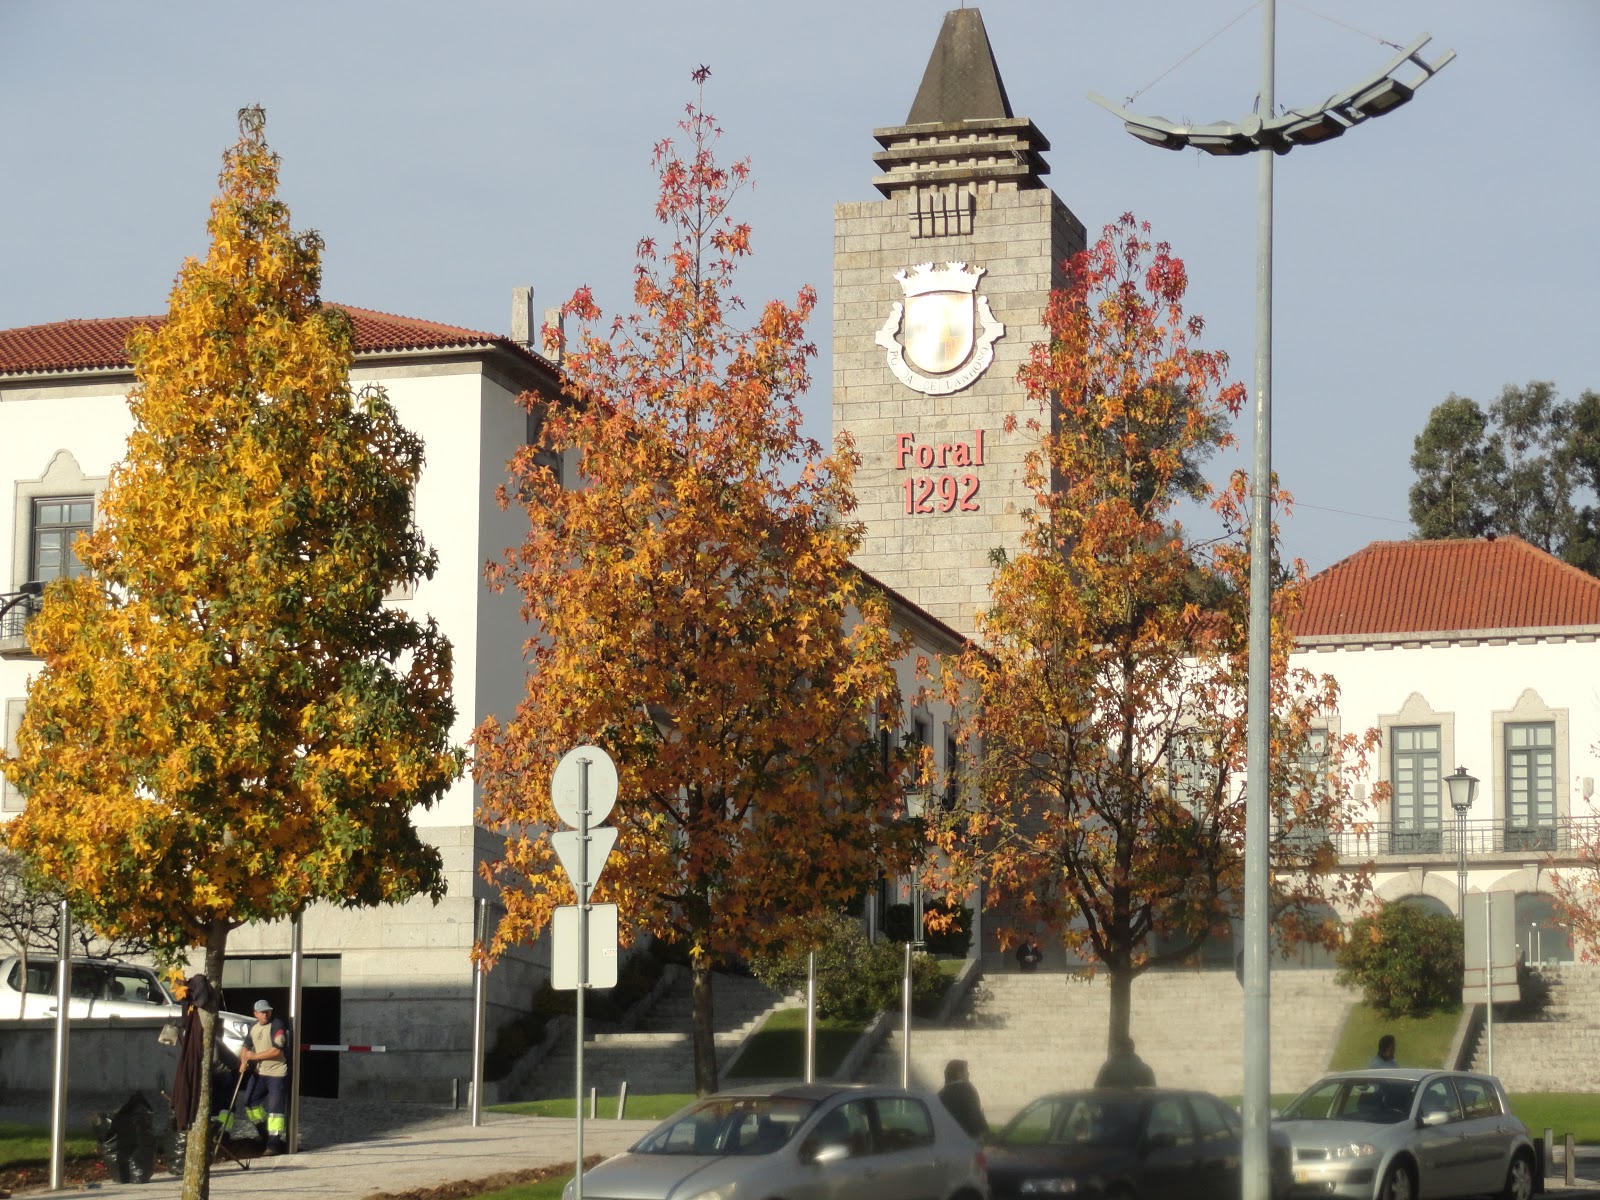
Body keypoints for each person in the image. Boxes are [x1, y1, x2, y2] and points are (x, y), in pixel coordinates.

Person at [239, 999, 291, 1155]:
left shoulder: (277, 1025)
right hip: (259, 1074)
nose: (266, 1014)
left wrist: (254, 1057)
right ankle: (264, 1132)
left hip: (276, 1074)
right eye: (262, 1012)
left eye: (268, 1011)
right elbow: (245, 1047)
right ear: (255, 1014)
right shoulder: (253, 1028)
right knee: (250, 1102)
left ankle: (273, 1145)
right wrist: (243, 1061)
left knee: (275, 1110)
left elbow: (277, 1050)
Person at [938, 1059, 989, 1138]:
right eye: (966, 1071)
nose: (969, 1074)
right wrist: (987, 1133)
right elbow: (976, 1116)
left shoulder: (941, 1094)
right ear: (959, 1074)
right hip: (967, 1140)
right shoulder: (967, 1090)